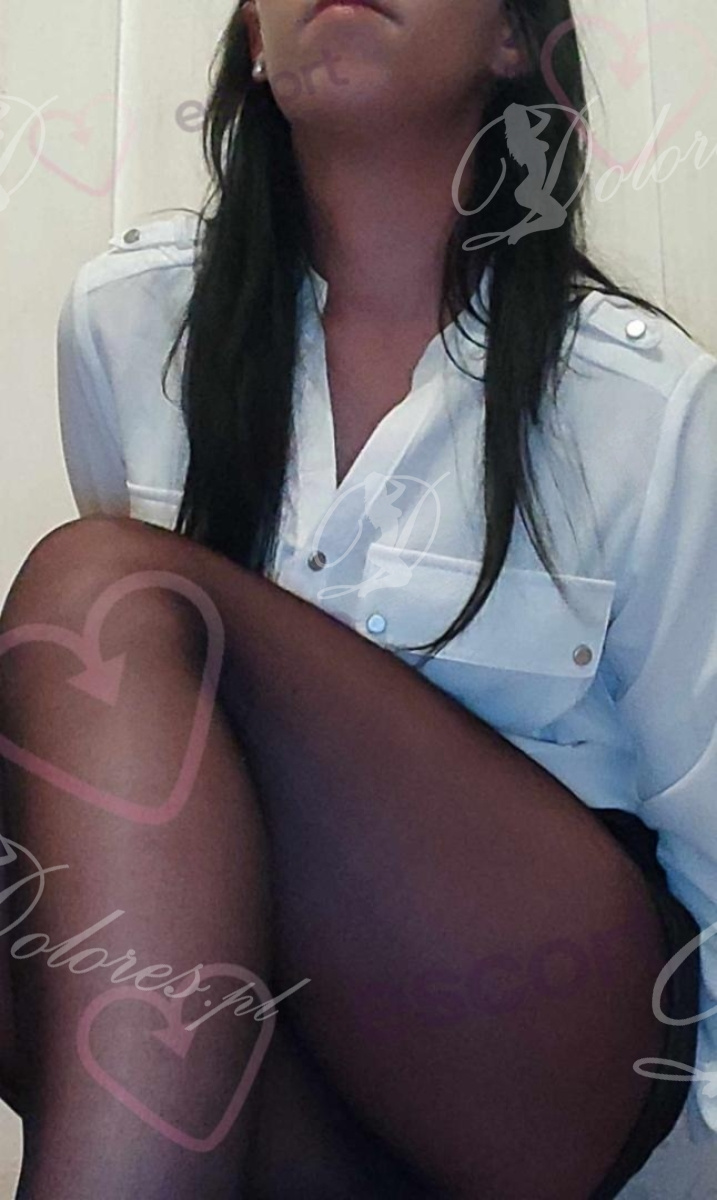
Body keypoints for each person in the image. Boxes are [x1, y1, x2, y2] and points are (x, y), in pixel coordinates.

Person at [1, 0, 716, 1196]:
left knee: (103, 588)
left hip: (549, 1043)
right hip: (291, 1029)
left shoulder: (647, 406)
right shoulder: (130, 321)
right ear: (254, 42)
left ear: (513, 42)